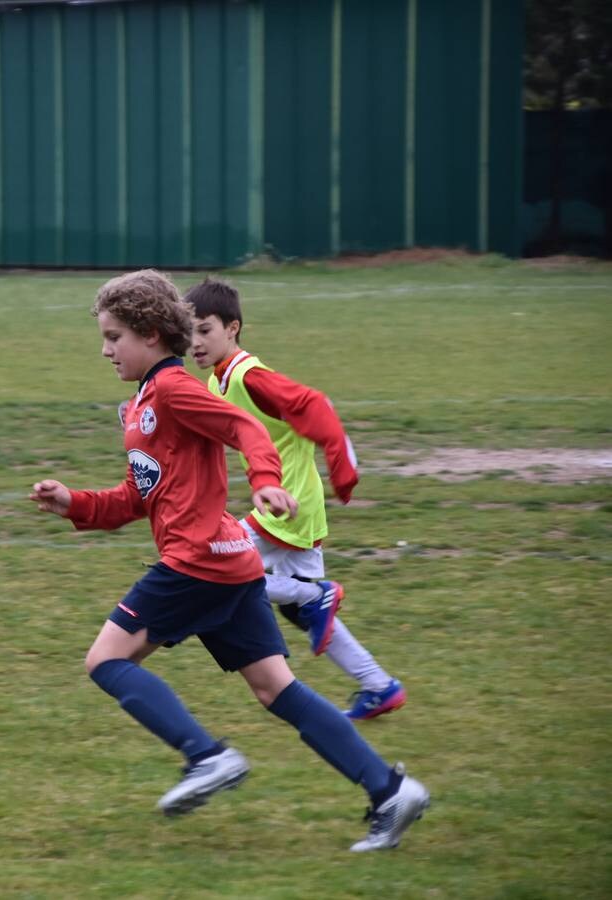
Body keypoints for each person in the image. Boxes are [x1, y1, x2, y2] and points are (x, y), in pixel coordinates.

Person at [28, 269, 427, 851]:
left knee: (106, 660)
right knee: (274, 688)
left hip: (196, 562)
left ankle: (206, 758)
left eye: (114, 336)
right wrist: (74, 504)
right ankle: (390, 791)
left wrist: (265, 480)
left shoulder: (172, 388)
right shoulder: (143, 403)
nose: (105, 349)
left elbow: (244, 426)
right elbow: (137, 498)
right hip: (230, 560)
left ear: (151, 333)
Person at [185, 277, 405, 721]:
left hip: (285, 504)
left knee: (219, 571)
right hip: (287, 505)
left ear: (234, 328)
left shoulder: (251, 376)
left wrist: (343, 469)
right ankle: (379, 686)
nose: (194, 341)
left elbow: (316, 405)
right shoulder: (216, 383)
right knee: (299, 610)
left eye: (204, 329)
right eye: (187, 331)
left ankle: (315, 595)